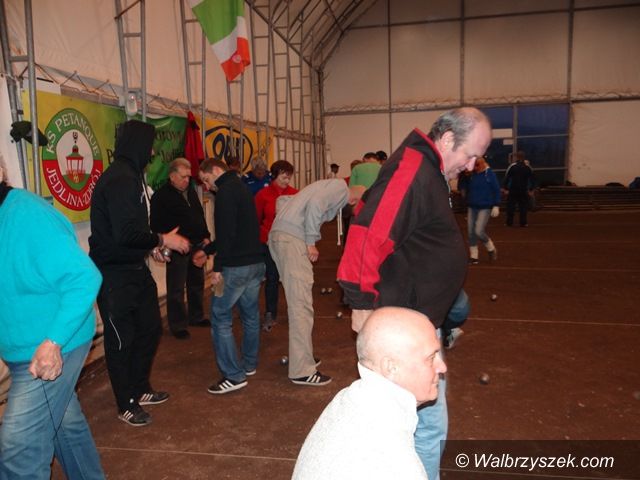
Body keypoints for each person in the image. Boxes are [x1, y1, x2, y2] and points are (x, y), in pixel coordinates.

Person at [337, 107, 492, 479]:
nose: (472, 166)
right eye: (470, 154)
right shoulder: (413, 168)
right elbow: (367, 232)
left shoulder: (428, 170)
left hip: (418, 319)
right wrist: (360, 302)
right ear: (448, 139)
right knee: (424, 426)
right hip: (404, 324)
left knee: (420, 422)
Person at [0, 167, 105, 478]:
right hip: (21, 349)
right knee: (64, 424)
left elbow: (84, 277)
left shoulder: (28, 215)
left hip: (52, 344)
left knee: (19, 449)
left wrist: (53, 342)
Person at [90, 119, 190, 427]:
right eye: (149, 146)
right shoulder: (120, 179)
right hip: (114, 275)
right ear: (137, 145)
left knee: (150, 329)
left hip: (134, 268)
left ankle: (140, 388)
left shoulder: (132, 176)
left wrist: (151, 247)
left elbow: (133, 231)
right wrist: (163, 240)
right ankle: (126, 403)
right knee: (121, 340)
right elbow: (124, 234)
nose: (152, 153)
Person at [292, 307, 446, 480]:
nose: (442, 367)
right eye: (431, 358)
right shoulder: (396, 462)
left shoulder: (347, 400)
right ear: (391, 367)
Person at [269, 180, 365, 386]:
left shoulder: (323, 186)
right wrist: (310, 241)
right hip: (292, 240)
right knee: (301, 307)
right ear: (355, 201)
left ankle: (301, 357)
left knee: (298, 304)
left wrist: (285, 225)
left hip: (280, 238)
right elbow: (315, 205)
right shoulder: (340, 189)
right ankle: (302, 371)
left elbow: (283, 200)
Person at [198, 158, 265, 394]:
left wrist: (217, 267)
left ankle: (234, 376)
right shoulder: (242, 188)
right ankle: (249, 364)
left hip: (235, 268)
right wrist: (208, 249)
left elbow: (226, 234)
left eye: (206, 180)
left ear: (216, 170)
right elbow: (238, 230)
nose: (207, 186)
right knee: (250, 315)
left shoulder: (225, 192)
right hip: (255, 263)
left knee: (220, 317)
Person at [150, 158, 211, 339]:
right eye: (183, 177)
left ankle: (196, 316)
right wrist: (167, 241)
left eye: (188, 177)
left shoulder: (191, 191)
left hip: (197, 243)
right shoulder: (161, 196)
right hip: (177, 247)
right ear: (172, 176)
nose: (187, 180)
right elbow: (155, 224)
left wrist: (206, 235)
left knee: (197, 282)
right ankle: (177, 325)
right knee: (176, 288)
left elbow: (199, 214)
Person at [254, 160, 298, 331]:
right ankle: (270, 313)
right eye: (283, 176)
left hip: (289, 242)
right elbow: (256, 219)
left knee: (291, 278)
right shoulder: (263, 195)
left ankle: (295, 312)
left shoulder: (295, 194)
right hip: (269, 242)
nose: (286, 180)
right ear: (274, 175)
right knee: (272, 277)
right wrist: (262, 238)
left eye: (289, 177)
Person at [458, 156, 500, 264]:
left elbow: (496, 189)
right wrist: (463, 180)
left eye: (476, 165)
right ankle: (474, 256)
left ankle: (490, 247)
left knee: (479, 231)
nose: (475, 168)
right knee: (471, 232)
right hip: (472, 206)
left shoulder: (489, 174)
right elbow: (463, 183)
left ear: (481, 163)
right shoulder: (471, 174)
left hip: (485, 207)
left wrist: (496, 205)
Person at [503, 151, 535, 227]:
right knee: (523, 207)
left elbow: (507, 178)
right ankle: (523, 223)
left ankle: (509, 222)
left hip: (513, 189)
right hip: (523, 190)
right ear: (524, 157)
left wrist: (505, 188)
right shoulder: (527, 167)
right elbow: (532, 179)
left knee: (511, 206)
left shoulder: (512, 167)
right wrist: (531, 189)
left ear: (516, 157)